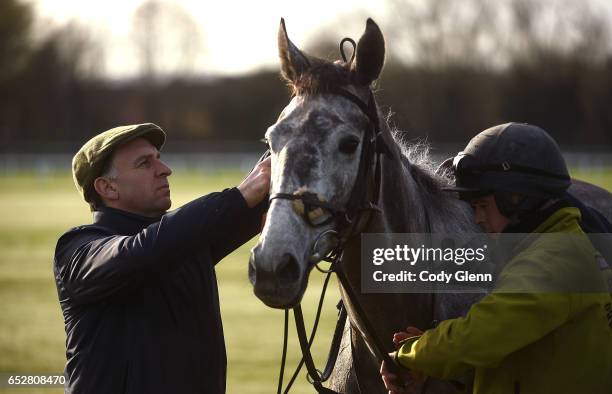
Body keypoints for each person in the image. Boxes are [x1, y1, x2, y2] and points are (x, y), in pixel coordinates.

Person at [380, 123, 612, 393]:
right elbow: (516, 354)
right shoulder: (559, 248)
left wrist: (411, 356)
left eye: (482, 206)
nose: (478, 219)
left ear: (517, 198)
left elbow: (480, 336)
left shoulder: (554, 262)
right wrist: (433, 360)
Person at [53, 123, 271, 394]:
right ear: (107, 188)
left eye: (159, 158)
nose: (165, 169)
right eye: (145, 163)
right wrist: (237, 197)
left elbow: (257, 194)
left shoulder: (180, 242)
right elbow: (141, 253)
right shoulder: (77, 249)